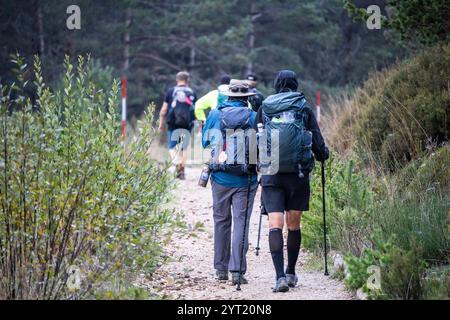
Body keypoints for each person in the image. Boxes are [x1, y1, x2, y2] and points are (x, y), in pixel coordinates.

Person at [254, 70, 329, 292]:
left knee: (275, 224)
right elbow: (316, 140)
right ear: (295, 84)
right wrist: (323, 154)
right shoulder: (303, 107)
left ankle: (279, 278)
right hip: (298, 175)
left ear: (276, 85)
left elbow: (255, 140)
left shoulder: (265, 107)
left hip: (272, 173)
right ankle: (291, 272)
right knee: (293, 224)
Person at [202, 79, 258, 285]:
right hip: (246, 179)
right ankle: (237, 271)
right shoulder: (253, 116)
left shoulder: (216, 114)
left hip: (219, 177)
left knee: (221, 221)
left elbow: (205, 142)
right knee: (241, 223)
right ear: (247, 98)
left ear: (228, 95)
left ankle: (221, 270)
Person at [159, 71, 197, 180]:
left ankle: (177, 164)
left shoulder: (171, 91)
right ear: (187, 80)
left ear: (177, 80)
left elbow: (164, 110)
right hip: (187, 125)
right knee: (183, 148)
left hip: (173, 124)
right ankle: (181, 170)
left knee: (171, 147)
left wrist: (161, 123)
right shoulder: (192, 92)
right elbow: (195, 110)